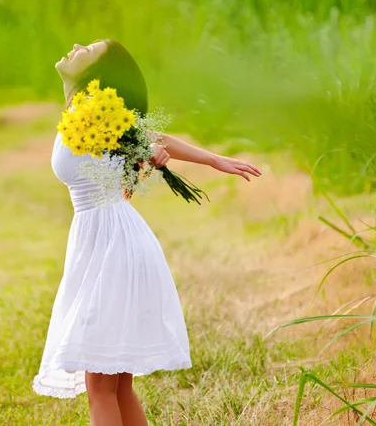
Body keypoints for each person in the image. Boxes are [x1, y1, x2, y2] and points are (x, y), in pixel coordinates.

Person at [32, 40, 261, 426]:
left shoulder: (95, 112)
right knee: (116, 388)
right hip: (107, 243)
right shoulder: (87, 112)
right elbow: (142, 140)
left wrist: (210, 159)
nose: (75, 46)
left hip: (113, 247)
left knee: (101, 389)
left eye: (87, 48)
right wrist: (144, 151)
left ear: (96, 75)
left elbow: (152, 141)